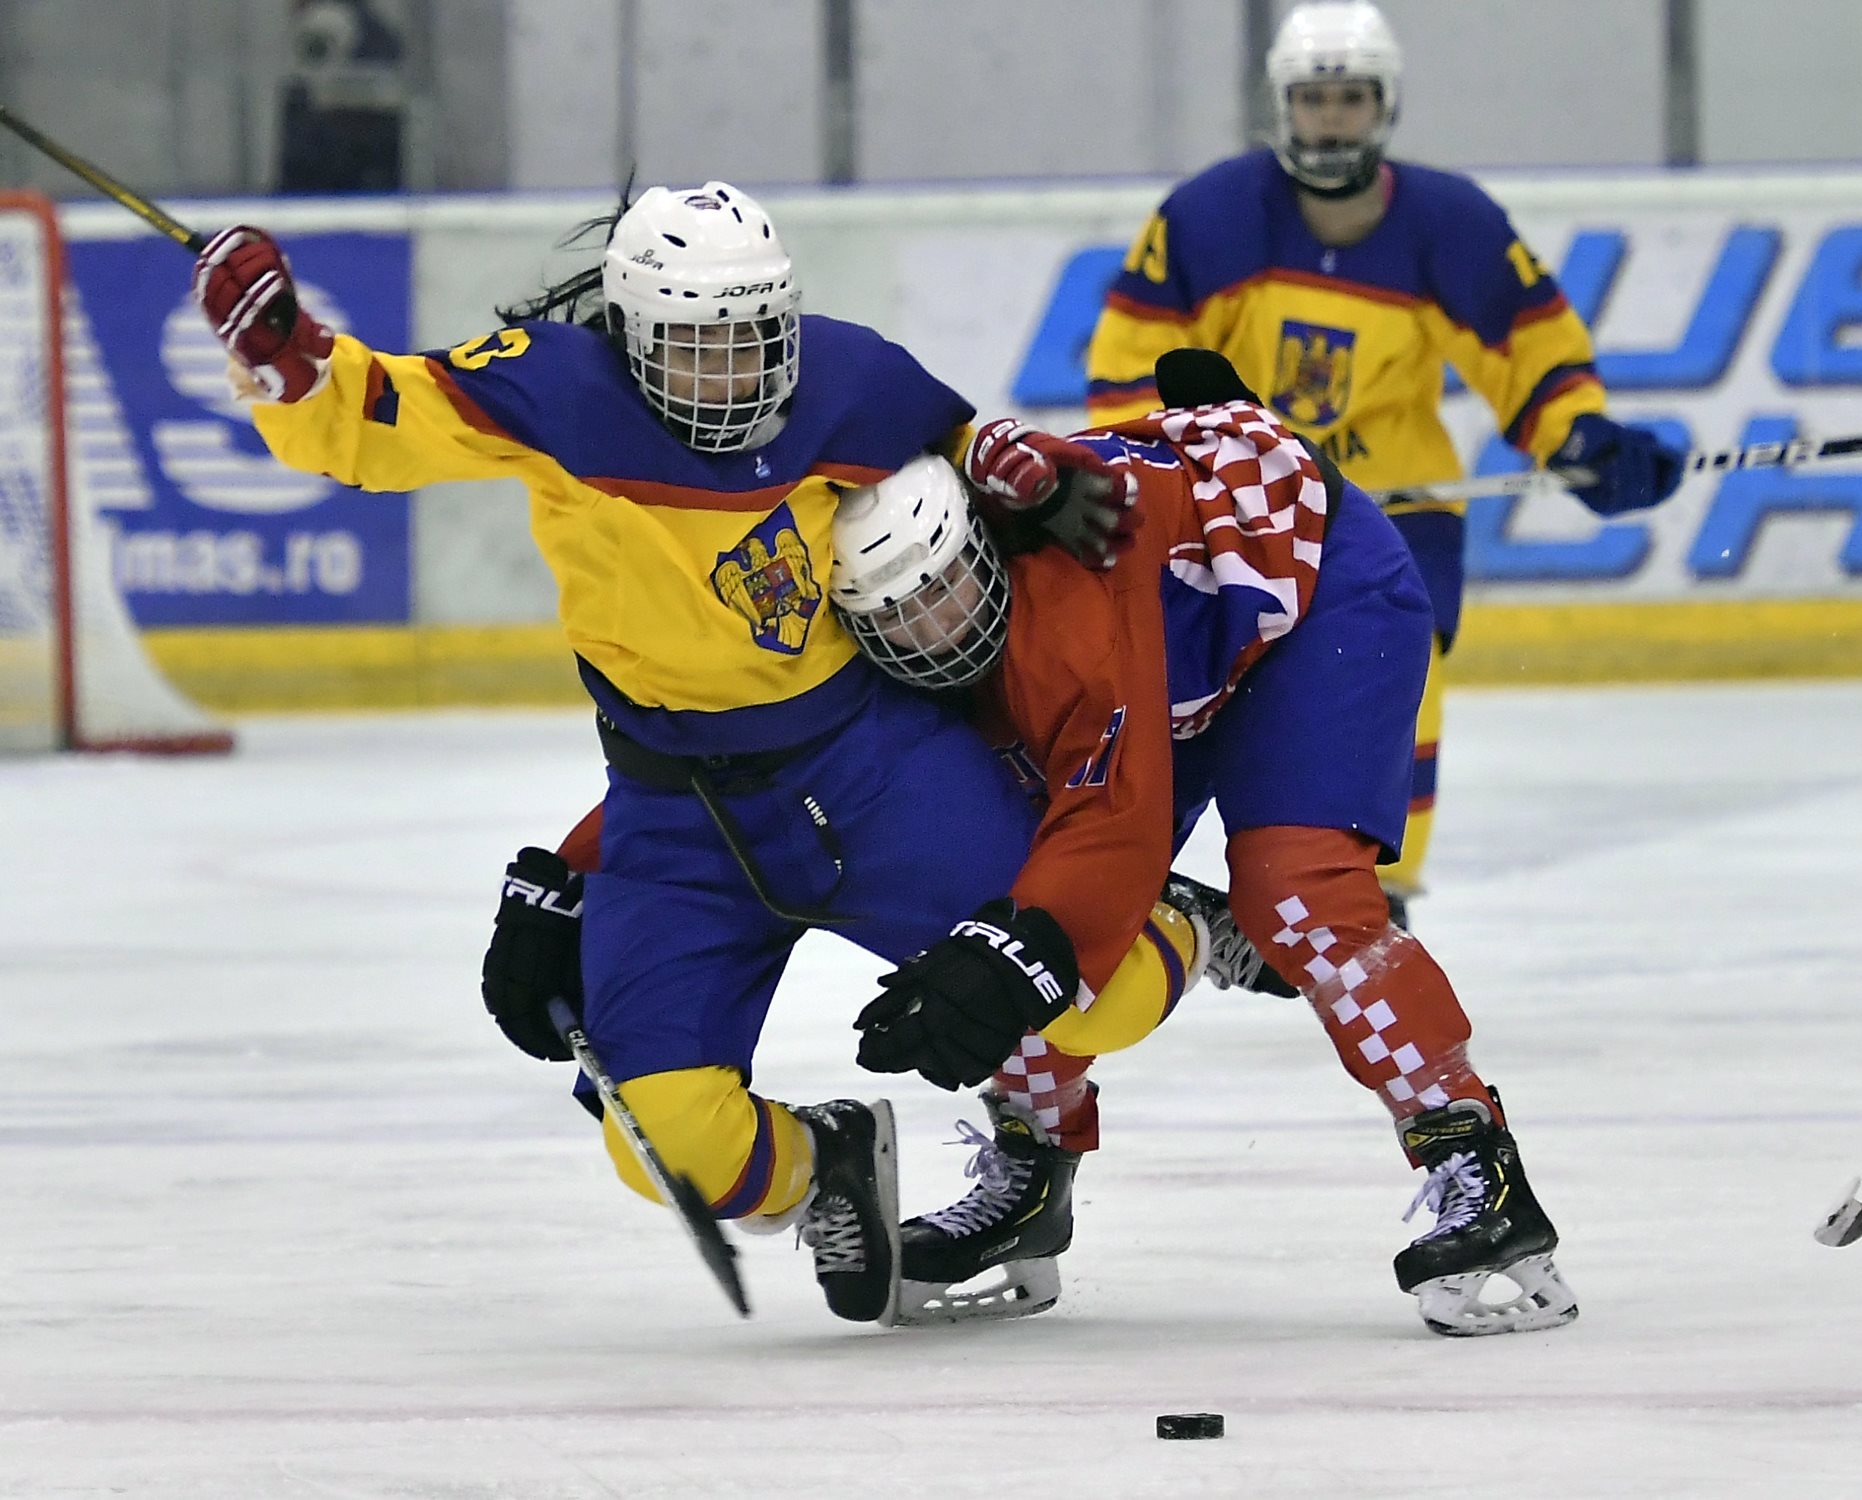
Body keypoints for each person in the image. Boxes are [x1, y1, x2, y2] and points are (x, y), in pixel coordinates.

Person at [190, 181, 1132, 1326]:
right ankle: (826, 1162)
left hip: (866, 767)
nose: (729, 377)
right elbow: (375, 413)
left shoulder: (842, 373)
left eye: (750, 342)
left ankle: (1199, 924)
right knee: (663, 1143)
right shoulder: (550, 391)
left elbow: (944, 431)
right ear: (629, 332)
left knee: (1097, 978)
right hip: (677, 821)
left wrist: (1008, 456)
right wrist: (289, 361)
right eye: (692, 348)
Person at [828, 356, 1578, 1336]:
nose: (937, 636)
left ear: (982, 541)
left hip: (1311, 600)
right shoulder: (968, 582)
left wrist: (1045, 451)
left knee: (1293, 893)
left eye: (948, 591)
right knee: (1000, 883)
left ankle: (1471, 1162)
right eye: (896, 621)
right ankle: (1031, 1167)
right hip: (1171, 642)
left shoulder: (1070, 579)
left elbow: (1114, 833)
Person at [1083, 0, 1685, 928]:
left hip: (1397, 505)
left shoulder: (1453, 223)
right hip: (1240, 506)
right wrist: (1167, 475)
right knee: (1178, 676)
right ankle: (1121, 863)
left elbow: (1531, 351)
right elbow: (1130, 364)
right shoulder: (1209, 217)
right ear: (1283, 105)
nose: (1332, 118)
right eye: (1315, 99)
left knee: (1403, 670)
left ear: (1385, 105)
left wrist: (1581, 439)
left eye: (1352, 98)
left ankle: (1380, 878)